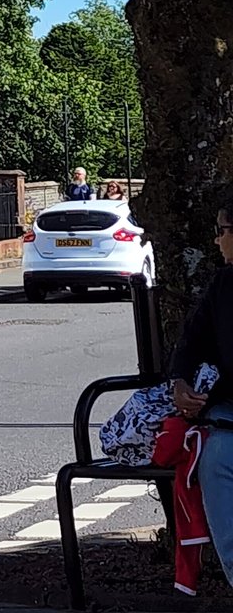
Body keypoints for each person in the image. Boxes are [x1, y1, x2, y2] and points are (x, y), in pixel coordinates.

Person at [165, 197, 233, 572]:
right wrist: (179, 382)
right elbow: (191, 341)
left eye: (221, 230)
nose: (216, 240)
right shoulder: (223, 284)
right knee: (217, 458)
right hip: (227, 417)